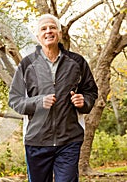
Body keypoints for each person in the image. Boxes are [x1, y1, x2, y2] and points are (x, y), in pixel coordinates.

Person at [8, 14, 98, 182]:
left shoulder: (77, 62)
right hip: (37, 140)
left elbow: (91, 91)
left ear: (59, 33)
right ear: (37, 36)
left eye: (52, 27)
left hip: (69, 139)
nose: (48, 31)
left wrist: (84, 101)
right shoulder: (27, 65)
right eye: (43, 29)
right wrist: (38, 102)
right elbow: (14, 99)